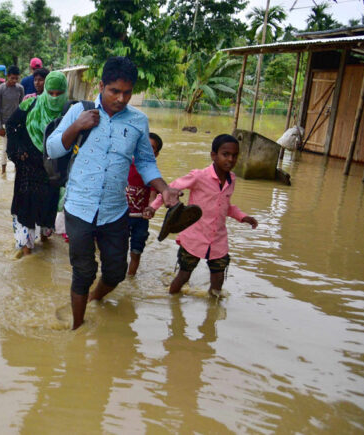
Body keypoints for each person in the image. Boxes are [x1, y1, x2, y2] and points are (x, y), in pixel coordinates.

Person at [46, 56, 181, 330]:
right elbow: (52, 149)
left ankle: (95, 298)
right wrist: (77, 126)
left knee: (116, 272)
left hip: (114, 210)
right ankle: (77, 328)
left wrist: (164, 189)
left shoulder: (138, 122)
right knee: (83, 271)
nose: (121, 98)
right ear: (101, 86)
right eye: (114, 91)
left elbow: (145, 162)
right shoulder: (78, 111)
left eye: (127, 92)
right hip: (79, 207)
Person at [149, 134, 258, 297]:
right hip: (194, 237)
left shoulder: (232, 179)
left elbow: (225, 206)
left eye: (234, 155)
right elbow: (169, 190)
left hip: (218, 240)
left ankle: (212, 314)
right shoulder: (199, 176)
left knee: (218, 279)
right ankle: (171, 302)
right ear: (213, 155)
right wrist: (152, 208)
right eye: (225, 154)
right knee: (184, 275)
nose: (230, 159)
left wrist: (243, 217)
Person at [6, 71, 68, 256]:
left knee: (47, 206)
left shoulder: (69, 111)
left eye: (58, 93)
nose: (54, 97)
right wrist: (17, 152)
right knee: (27, 206)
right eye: (51, 93)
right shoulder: (30, 104)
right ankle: (26, 248)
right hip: (29, 168)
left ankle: (45, 237)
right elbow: (11, 125)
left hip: (52, 170)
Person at [126, 132, 163, 276]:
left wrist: (151, 208)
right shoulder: (126, 165)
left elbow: (153, 195)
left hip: (140, 219)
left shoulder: (153, 174)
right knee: (117, 249)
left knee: (136, 252)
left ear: (156, 154)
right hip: (120, 216)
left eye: (151, 148)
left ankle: (130, 278)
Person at [0, 66, 24, 174]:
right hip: (5, 123)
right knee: (5, 148)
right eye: (12, 78)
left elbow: (22, 106)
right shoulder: (0, 89)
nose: (14, 81)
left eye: (16, 78)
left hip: (18, 123)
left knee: (18, 147)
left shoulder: (20, 88)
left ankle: (17, 169)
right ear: (7, 77)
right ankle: (3, 171)